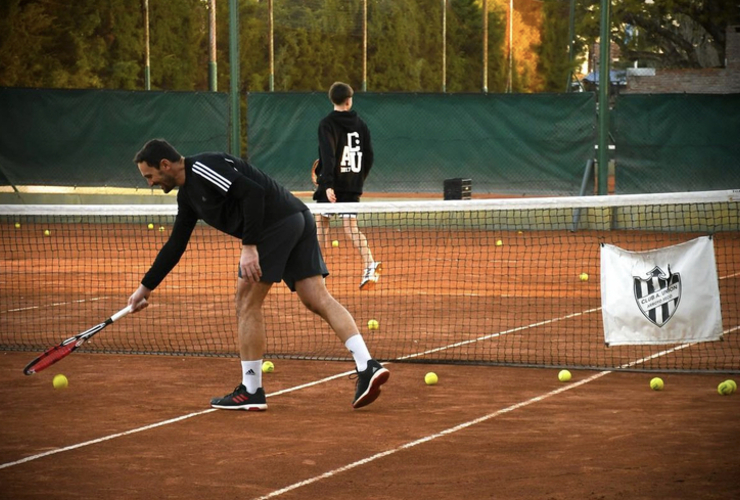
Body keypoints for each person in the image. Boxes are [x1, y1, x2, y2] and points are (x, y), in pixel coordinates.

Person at [127, 139, 389, 410]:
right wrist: (145, 288)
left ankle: (251, 390)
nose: (150, 183)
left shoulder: (203, 167)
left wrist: (249, 246)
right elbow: (175, 244)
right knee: (317, 298)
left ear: (165, 165)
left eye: (150, 176)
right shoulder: (188, 196)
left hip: (273, 225)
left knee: (246, 303)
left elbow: (252, 192)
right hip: (296, 217)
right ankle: (367, 365)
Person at [313, 82, 381, 290]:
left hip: (332, 185)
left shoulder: (326, 124)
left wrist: (327, 185)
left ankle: (317, 273)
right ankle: (370, 264)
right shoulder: (361, 125)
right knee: (351, 229)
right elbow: (368, 156)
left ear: (331, 100)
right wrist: (358, 180)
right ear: (349, 101)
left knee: (321, 225)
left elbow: (328, 154)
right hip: (352, 185)